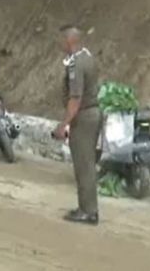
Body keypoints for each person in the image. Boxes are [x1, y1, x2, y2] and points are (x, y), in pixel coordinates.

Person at [52, 25, 102, 225]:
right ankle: (86, 207)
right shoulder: (87, 56)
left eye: (61, 40)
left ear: (69, 40)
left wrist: (63, 125)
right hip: (91, 114)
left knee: (84, 165)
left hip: (84, 116)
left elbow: (75, 98)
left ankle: (88, 211)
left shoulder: (76, 64)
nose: (59, 44)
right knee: (86, 163)